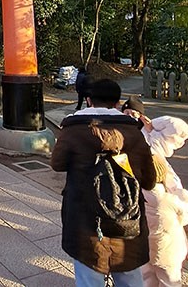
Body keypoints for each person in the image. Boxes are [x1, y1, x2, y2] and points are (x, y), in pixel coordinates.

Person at [51, 78, 156, 286]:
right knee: (130, 275)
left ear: (89, 100)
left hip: (84, 218)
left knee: (89, 276)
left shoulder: (73, 130)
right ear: (118, 103)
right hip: (127, 218)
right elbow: (149, 180)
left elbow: (57, 164)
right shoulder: (134, 133)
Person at [121, 96, 188, 191]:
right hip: (130, 171)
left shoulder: (147, 131)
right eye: (126, 113)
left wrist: (151, 129)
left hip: (157, 169)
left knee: (173, 191)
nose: (129, 116)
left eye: (133, 114)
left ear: (140, 116)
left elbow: (179, 128)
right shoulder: (119, 129)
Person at [141, 154, 188, 287]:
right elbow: (185, 216)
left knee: (147, 280)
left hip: (145, 251)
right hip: (169, 255)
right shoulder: (169, 200)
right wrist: (183, 195)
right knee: (170, 282)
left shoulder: (136, 197)